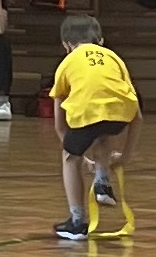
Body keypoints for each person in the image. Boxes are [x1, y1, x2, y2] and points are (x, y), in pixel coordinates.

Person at [49, 15, 142, 241]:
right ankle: (102, 182)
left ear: (66, 45)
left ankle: (77, 222)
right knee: (104, 132)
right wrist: (126, 156)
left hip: (87, 111)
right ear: (101, 41)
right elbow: (137, 115)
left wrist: (78, 155)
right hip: (120, 113)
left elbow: (59, 124)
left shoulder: (67, 63)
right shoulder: (114, 58)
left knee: (69, 159)